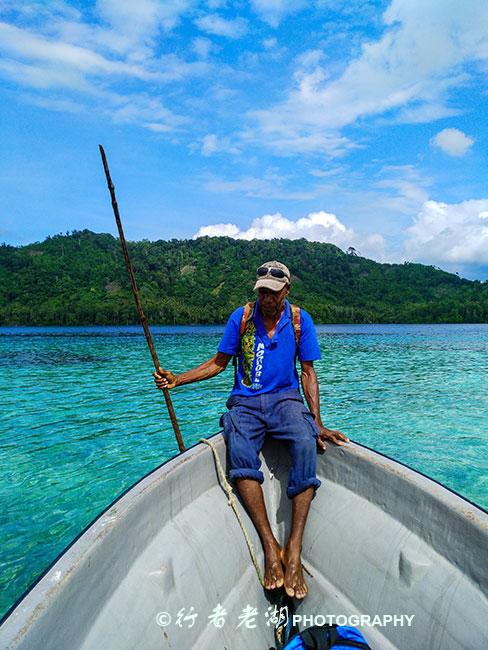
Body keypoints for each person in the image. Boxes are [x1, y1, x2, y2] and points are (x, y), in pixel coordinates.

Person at [154, 260, 349, 599]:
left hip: (286, 400)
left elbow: (307, 373)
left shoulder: (301, 321)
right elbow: (218, 363)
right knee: (240, 451)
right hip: (245, 402)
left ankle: (294, 549)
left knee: (305, 443)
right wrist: (178, 379)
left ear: (286, 291)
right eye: (261, 292)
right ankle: (270, 546)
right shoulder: (241, 318)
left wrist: (317, 422)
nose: (266, 298)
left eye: (273, 293)